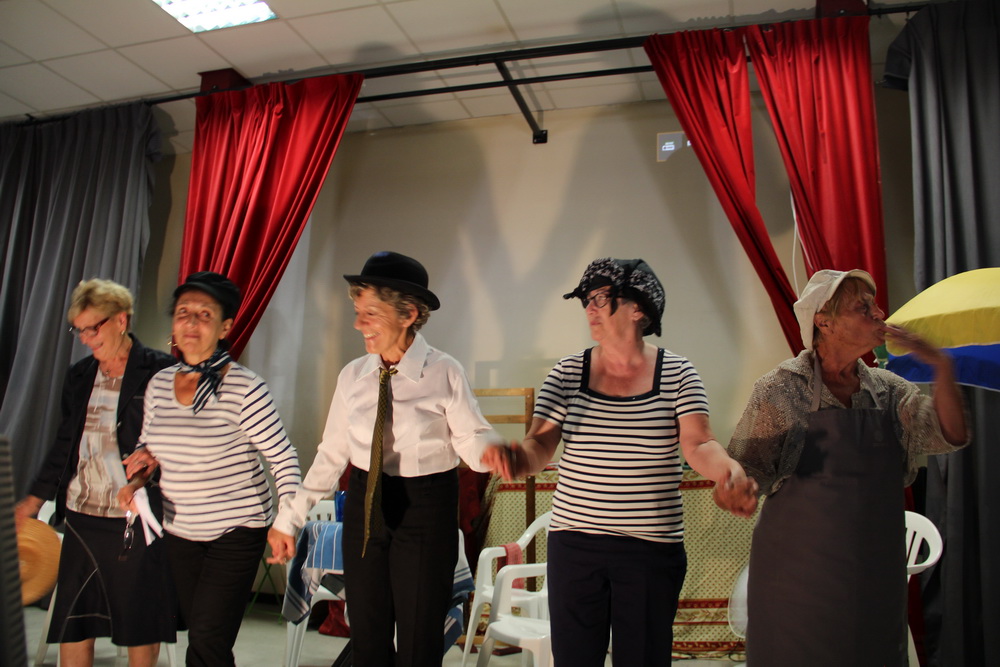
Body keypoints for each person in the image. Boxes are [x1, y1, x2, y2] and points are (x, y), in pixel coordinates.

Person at [482, 257, 757, 667]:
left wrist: (729, 472)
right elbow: (539, 445)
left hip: (650, 547)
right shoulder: (567, 373)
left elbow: (699, 444)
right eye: (586, 300)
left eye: (601, 298)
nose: (589, 309)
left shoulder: (678, 373)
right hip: (575, 543)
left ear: (638, 308)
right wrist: (515, 459)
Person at [722, 269, 969, 666]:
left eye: (875, 305)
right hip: (798, 580)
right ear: (825, 322)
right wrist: (738, 489)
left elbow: (951, 434)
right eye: (863, 307)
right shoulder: (782, 388)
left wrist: (941, 367)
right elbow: (746, 469)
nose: (879, 313)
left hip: (875, 576)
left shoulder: (889, 392)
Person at [268, 251, 503, 667]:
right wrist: (289, 519)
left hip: (427, 506)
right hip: (365, 501)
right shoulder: (353, 375)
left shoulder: (444, 371)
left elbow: (472, 439)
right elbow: (331, 453)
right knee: (368, 631)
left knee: (419, 635)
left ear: (408, 314)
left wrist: (494, 452)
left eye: (370, 314)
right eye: (357, 313)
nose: (358, 324)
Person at [118, 271, 301, 667]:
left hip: (237, 529)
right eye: (183, 312)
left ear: (225, 327)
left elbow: (284, 458)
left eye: (204, 314)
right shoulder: (159, 383)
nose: (191, 322)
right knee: (205, 639)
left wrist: (286, 521)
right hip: (180, 529)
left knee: (206, 638)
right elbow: (149, 449)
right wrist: (137, 478)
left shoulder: (245, 388)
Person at [14, 279, 176, 667]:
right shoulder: (80, 374)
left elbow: (173, 443)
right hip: (82, 515)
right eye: (79, 330)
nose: (86, 339)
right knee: (74, 622)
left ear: (121, 320)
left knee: (139, 623)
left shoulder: (161, 370)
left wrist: (146, 470)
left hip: (134, 517)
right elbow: (64, 444)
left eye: (93, 328)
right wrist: (32, 501)